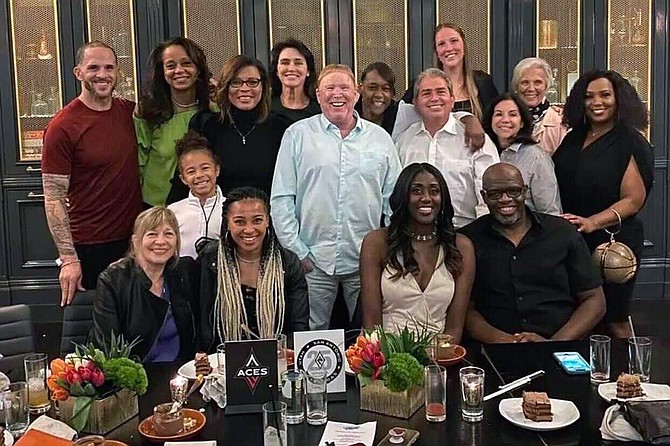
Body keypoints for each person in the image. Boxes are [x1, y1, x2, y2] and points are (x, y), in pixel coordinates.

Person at [271, 64, 402, 330]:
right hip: (312, 260)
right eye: (330, 88)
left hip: (365, 259)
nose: (337, 94)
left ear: (357, 93)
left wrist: (386, 248)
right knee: (310, 337)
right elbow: (281, 198)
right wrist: (297, 251)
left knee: (370, 335)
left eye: (344, 87)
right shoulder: (297, 136)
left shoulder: (380, 139)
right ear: (318, 95)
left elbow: (394, 200)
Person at [553, 70, 654, 338]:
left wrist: (593, 222)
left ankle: (630, 376)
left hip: (612, 241)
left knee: (614, 316)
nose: (597, 102)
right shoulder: (573, 138)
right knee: (578, 315)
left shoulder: (631, 141)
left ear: (619, 99)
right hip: (574, 238)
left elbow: (633, 200)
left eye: (605, 95)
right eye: (589, 97)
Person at [42, 41, 141, 306]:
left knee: (134, 331)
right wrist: (69, 259)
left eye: (109, 67)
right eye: (93, 67)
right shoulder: (62, 126)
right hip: (88, 246)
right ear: (78, 73)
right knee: (93, 338)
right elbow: (53, 197)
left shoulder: (129, 113)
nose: (102, 74)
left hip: (133, 243)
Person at [460, 163, 606, 343]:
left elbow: (594, 300)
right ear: (484, 196)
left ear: (525, 190)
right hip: (493, 349)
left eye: (513, 191)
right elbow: (464, 309)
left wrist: (552, 345)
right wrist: (504, 341)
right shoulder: (468, 240)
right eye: (495, 194)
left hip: (562, 345)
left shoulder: (562, 233)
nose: (505, 199)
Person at [360, 163, 474, 341]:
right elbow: (371, 325)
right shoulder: (376, 243)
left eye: (434, 191)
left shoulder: (461, 246)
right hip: (384, 353)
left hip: (440, 357)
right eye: (417, 191)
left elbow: (454, 329)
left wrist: (434, 359)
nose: (427, 198)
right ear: (403, 197)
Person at [198, 187, 309, 351]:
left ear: (267, 221)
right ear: (227, 223)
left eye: (257, 220)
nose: (249, 229)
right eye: (239, 221)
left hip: (277, 359)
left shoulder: (288, 262)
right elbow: (200, 320)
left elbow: (298, 323)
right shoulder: (209, 260)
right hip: (221, 360)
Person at [167, 55, 289, 201]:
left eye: (252, 82)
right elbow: (185, 177)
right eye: (236, 82)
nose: (245, 88)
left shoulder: (281, 128)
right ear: (225, 87)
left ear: (263, 86)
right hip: (217, 218)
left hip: (268, 218)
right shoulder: (206, 125)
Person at [395, 68, 499, 228]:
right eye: (426, 93)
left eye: (440, 92)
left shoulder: (475, 138)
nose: (434, 98)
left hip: (464, 232)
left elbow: (490, 190)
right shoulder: (404, 141)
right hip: (415, 235)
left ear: (452, 99)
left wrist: (482, 234)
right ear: (415, 103)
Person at [91, 207, 198, 362]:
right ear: (136, 241)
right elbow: (107, 347)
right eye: (152, 234)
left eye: (168, 234)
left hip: (181, 373)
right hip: (133, 376)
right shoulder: (113, 280)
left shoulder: (184, 272)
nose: (161, 242)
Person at [135, 37, 212, 207]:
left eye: (186, 63)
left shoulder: (214, 112)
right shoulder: (147, 113)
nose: (179, 70)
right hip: (156, 206)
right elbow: (137, 166)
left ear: (198, 69)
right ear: (161, 71)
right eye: (171, 65)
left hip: (202, 207)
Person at [402, 23, 498, 123]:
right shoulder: (422, 84)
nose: (448, 48)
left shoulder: (483, 82)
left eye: (454, 41)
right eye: (441, 44)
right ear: (437, 53)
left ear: (464, 46)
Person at [483, 93, 562, 215]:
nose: (505, 120)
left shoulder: (537, 158)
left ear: (522, 122)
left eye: (513, 114)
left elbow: (549, 211)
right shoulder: (482, 152)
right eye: (499, 114)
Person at [167, 130, 223, 259]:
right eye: (191, 171)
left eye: (205, 168)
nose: (199, 175)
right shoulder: (172, 212)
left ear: (217, 170)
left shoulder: (230, 209)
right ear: (183, 179)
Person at [511, 57, 568, 154]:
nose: (531, 88)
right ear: (516, 86)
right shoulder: (506, 119)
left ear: (547, 86)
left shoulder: (559, 123)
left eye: (538, 82)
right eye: (525, 82)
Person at [270, 38, 321, 123]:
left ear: (308, 71)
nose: (291, 68)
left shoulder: (320, 110)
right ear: (276, 71)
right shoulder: (266, 109)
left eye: (298, 63)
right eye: (285, 63)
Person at [355, 61, 400, 135]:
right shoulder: (349, 113)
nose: (379, 95)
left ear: (392, 93)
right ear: (360, 89)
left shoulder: (401, 114)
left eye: (385, 89)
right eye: (372, 88)